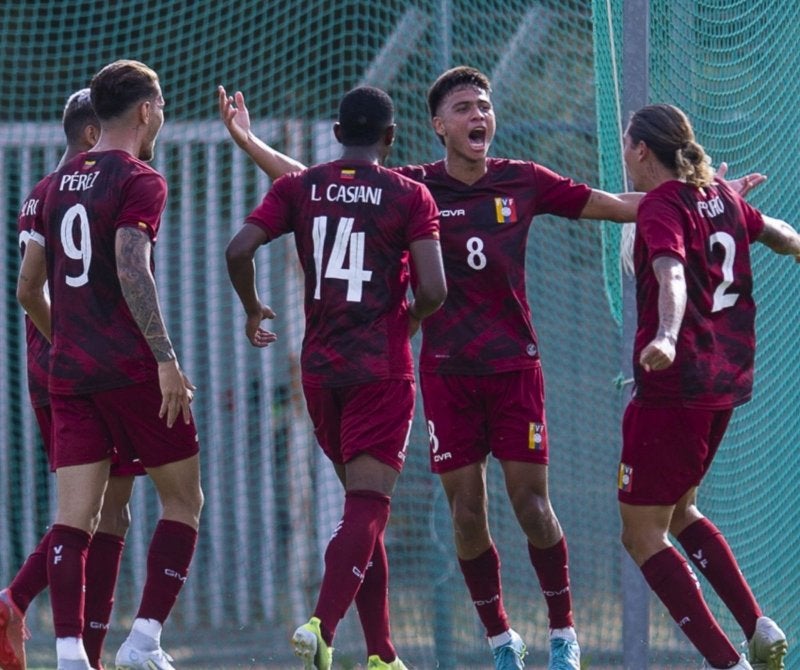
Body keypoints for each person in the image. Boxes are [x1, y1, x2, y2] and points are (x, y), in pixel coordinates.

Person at [217, 67, 760, 670]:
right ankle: (503, 640)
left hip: (514, 370)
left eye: (484, 105)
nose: (479, 115)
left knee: (532, 509)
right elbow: (318, 187)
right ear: (437, 125)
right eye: (464, 107)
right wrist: (249, 142)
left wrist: (703, 200)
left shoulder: (523, 181)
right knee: (467, 515)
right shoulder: (413, 187)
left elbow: (613, 205)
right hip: (446, 376)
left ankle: (563, 635)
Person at [225, 85, 446, 670]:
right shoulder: (411, 195)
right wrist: (410, 321)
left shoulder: (302, 188)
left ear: (336, 134)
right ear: (392, 138)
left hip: (320, 372)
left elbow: (238, 248)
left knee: (361, 509)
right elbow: (434, 290)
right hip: (380, 368)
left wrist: (252, 307)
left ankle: (382, 654)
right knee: (369, 505)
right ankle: (322, 625)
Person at [17, 60, 204, 670]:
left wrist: (68, 338)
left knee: (76, 519)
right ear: (147, 110)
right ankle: (144, 639)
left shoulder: (49, 187)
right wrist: (166, 359)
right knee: (184, 502)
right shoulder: (140, 178)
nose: (163, 117)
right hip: (129, 369)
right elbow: (132, 265)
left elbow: (27, 288)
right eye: (163, 107)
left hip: (67, 374)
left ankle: (70, 653)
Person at [618, 103, 797, 670]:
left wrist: (666, 336)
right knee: (680, 512)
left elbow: (670, 273)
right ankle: (757, 625)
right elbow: (784, 237)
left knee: (641, 535)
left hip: (676, 386)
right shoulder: (717, 194)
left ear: (642, 150)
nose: (624, 154)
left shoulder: (662, 206)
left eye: (626, 144)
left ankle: (728, 663)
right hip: (726, 382)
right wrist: (739, 204)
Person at [2, 88, 146, 670]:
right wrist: (77, 341)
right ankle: (40, 619)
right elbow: (30, 292)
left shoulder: (41, 195)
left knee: (102, 510)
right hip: (85, 369)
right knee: (100, 512)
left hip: (50, 369)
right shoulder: (101, 188)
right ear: (93, 135)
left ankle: (81, 647)